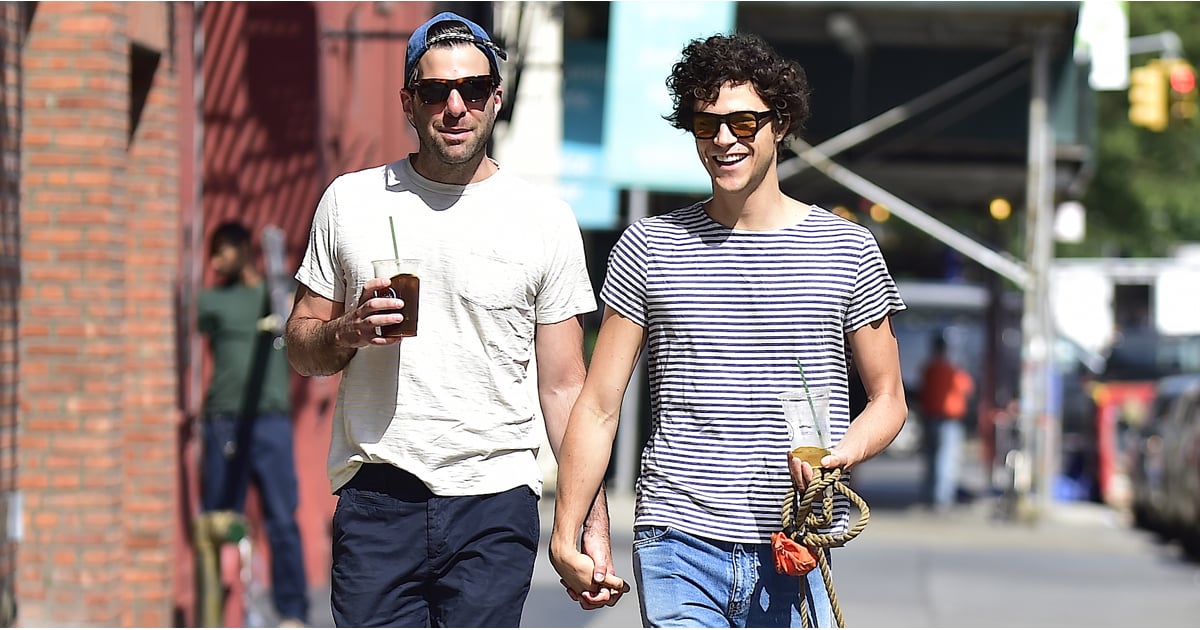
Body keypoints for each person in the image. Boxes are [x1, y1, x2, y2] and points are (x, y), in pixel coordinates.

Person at [549, 32, 908, 628]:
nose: (722, 140)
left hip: (796, 544)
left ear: (780, 123)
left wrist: (843, 454)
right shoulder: (649, 247)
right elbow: (598, 404)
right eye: (705, 124)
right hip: (676, 537)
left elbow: (888, 399)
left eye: (743, 123)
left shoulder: (846, 249)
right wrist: (568, 532)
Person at [283, 12, 617, 628]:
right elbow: (301, 346)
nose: (455, 106)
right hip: (378, 494)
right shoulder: (351, 201)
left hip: (494, 500)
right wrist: (347, 332)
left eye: (472, 89)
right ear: (409, 103)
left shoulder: (543, 218)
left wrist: (587, 522)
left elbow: (566, 386)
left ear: (496, 97)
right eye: (435, 92)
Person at [197, 221, 309, 627]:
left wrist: (282, 302)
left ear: (244, 249)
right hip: (224, 423)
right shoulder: (211, 302)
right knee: (220, 521)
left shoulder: (275, 296)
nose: (214, 261)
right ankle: (217, 614)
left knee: (282, 519)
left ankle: (292, 613)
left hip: (271, 422)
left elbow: (303, 317)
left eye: (221, 250)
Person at [919, 332, 974, 512]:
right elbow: (967, 388)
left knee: (931, 459)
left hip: (930, 417)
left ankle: (930, 496)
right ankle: (941, 499)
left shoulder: (929, 368)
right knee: (946, 460)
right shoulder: (952, 370)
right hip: (949, 420)